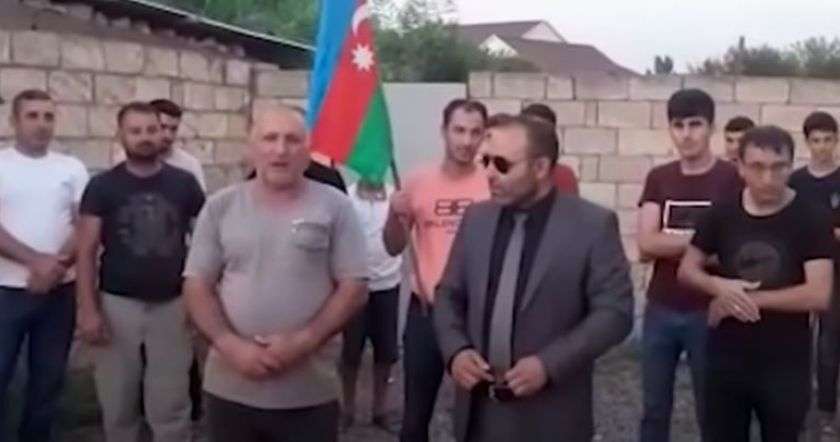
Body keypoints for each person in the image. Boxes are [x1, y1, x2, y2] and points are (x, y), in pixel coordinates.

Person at [433, 113, 634, 442]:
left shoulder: (592, 225)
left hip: (551, 416)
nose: (489, 173)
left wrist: (549, 365)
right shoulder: (477, 219)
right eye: (485, 161)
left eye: (502, 164)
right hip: (479, 414)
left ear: (540, 168)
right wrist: (456, 350)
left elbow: (615, 312)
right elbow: (448, 294)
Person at [182, 104, 368, 442]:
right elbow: (197, 284)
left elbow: (354, 287)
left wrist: (304, 341)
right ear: (251, 147)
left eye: (292, 140)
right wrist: (230, 345)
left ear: (308, 151)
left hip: (309, 391)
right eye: (270, 138)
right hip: (231, 388)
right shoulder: (220, 206)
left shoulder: (335, 206)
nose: (281, 150)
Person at [678, 125, 834, 442]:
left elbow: (819, 294)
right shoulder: (721, 213)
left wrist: (741, 299)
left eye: (779, 167)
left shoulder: (812, 218)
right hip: (726, 358)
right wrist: (718, 287)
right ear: (740, 167)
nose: (768, 178)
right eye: (757, 167)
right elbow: (687, 270)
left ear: (791, 165)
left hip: (785, 362)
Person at [75, 102, 205, 442]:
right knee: (118, 400)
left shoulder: (184, 183)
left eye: (152, 129)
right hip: (117, 305)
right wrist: (88, 309)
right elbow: (86, 251)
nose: (145, 137)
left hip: (173, 305)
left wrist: (201, 302)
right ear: (121, 135)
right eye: (136, 131)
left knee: (171, 402)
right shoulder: (102, 186)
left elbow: (205, 243)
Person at [637, 89, 741, 442]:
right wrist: (702, 243)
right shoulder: (659, 178)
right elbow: (646, 243)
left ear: (711, 127)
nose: (686, 134)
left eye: (695, 124)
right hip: (661, 306)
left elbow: (733, 250)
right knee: (654, 408)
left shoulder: (732, 179)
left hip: (709, 310)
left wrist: (671, 243)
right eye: (678, 125)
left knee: (711, 407)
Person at [383, 98, 489, 442]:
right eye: (459, 130)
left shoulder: (492, 183)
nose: (466, 141)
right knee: (415, 417)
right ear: (444, 132)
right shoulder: (417, 180)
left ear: (484, 136)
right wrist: (394, 214)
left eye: (475, 132)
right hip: (426, 311)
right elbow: (393, 246)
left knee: (477, 416)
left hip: (477, 313)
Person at [0, 90, 89, 442]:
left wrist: (56, 267)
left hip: (58, 294)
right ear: (14, 121)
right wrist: (35, 261)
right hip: (6, 292)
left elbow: (85, 224)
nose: (41, 124)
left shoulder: (71, 168)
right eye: (32, 116)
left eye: (48, 116)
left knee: (48, 382)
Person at [147, 98, 208, 422]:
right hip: (137, 271)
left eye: (173, 128)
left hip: (177, 267)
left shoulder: (188, 167)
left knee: (179, 345)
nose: (167, 135)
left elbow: (201, 222)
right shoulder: (124, 160)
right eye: (162, 127)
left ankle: (190, 407)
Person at [788, 111, 840, 434]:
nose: (822, 147)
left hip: (835, 270)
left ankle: (826, 412)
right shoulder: (796, 181)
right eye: (816, 140)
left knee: (829, 344)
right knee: (793, 340)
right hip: (798, 268)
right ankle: (792, 406)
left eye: (828, 140)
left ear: (836, 141)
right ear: (807, 142)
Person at [339, 178, 402, 432]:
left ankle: (380, 410)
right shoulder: (346, 198)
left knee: (385, 354)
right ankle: (347, 409)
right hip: (355, 288)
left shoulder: (395, 197)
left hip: (388, 285)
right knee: (350, 353)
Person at [520, 103, 579, 195]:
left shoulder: (563, 175)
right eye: (530, 130)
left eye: (541, 132)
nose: (536, 136)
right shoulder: (503, 173)